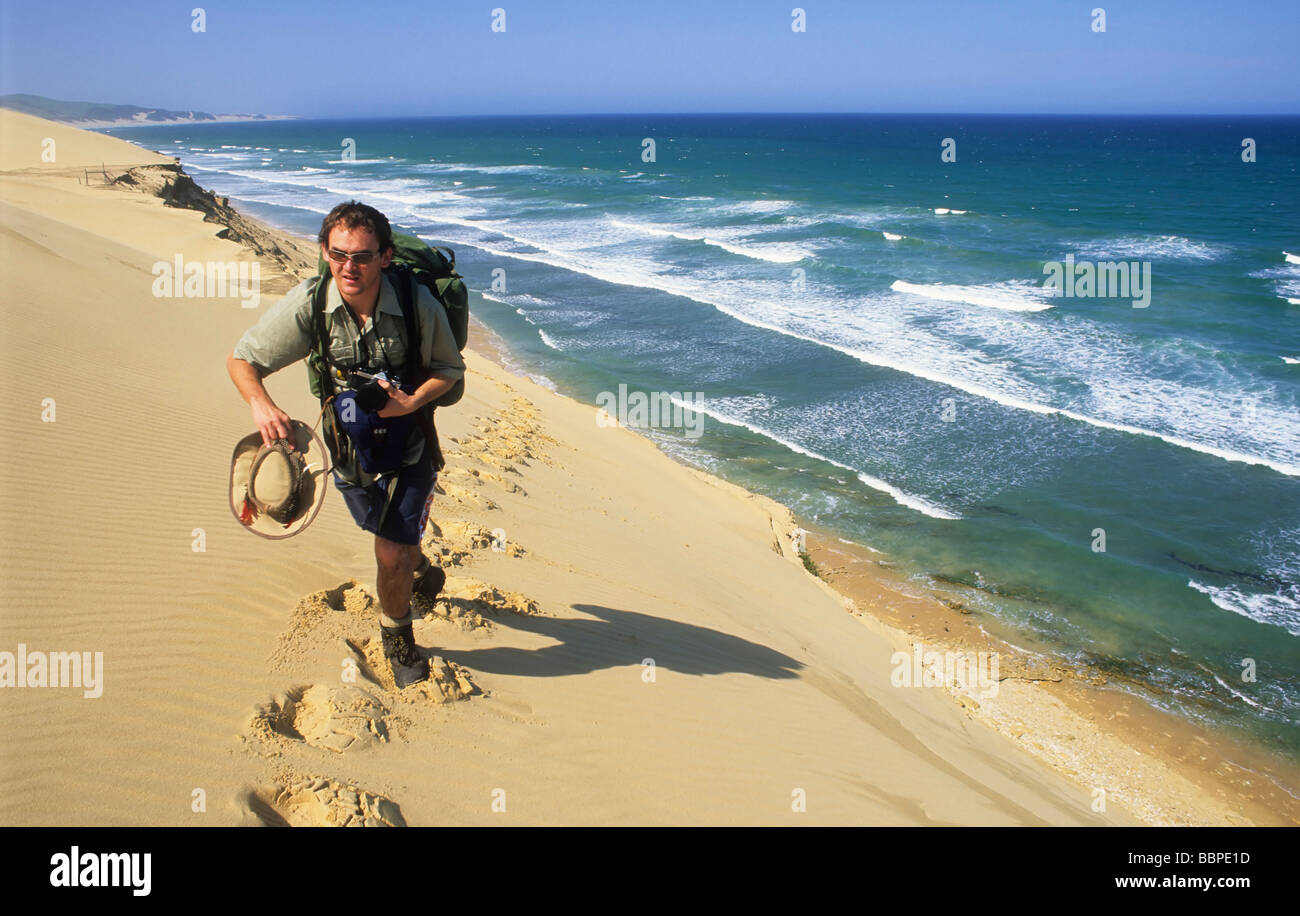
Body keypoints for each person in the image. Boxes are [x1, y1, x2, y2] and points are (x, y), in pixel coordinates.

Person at [227, 201, 465, 687]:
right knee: (389, 539)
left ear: (384, 256)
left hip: (411, 442)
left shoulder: (418, 304)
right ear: (324, 251)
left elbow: (449, 371)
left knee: (388, 553)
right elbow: (242, 361)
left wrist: (409, 402)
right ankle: (422, 570)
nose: (349, 268)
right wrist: (261, 405)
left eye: (361, 256)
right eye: (338, 255)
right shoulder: (311, 304)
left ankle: (398, 641)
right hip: (348, 445)